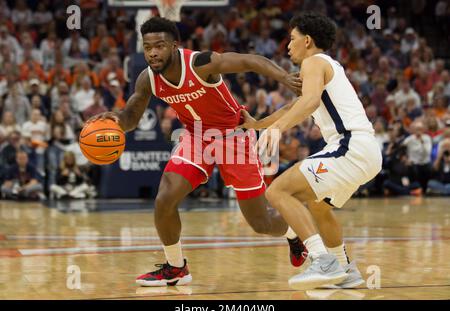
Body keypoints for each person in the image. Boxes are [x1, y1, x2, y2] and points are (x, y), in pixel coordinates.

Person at [88, 16, 305, 287]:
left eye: (160, 45)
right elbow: (132, 114)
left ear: (174, 46)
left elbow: (249, 60)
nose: (153, 52)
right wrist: (117, 122)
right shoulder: (148, 79)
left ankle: (294, 231)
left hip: (233, 137)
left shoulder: (201, 63)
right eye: (147, 47)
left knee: (260, 222)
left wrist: (285, 77)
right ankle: (176, 267)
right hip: (196, 138)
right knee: (165, 198)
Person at [240, 12, 382, 289]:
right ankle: (345, 269)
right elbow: (297, 105)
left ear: (307, 40)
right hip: (365, 151)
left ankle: (323, 261)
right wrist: (259, 124)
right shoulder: (326, 66)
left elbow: (310, 101)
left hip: (349, 146)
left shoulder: (314, 61)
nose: (288, 46)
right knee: (318, 206)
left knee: (278, 191)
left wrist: (278, 128)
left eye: (292, 39)